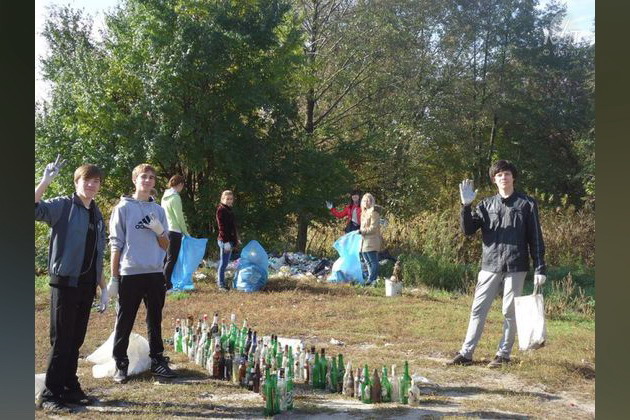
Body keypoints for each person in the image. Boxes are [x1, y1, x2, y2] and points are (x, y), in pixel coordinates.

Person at [447, 160, 546, 368]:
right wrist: (466, 206)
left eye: (507, 174)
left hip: (516, 265)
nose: (503, 178)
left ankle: (503, 355)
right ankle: (466, 353)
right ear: (494, 179)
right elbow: (468, 230)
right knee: (478, 309)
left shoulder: (527, 204)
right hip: (490, 264)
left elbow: (536, 237)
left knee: (509, 312)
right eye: (499, 175)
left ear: (513, 177)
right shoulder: (485, 205)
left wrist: (540, 267)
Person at [35, 156, 109, 413]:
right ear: (76, 182)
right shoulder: (64, 206)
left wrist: (103, 288)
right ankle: (50, 395)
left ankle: (69, 386)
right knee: (61, 340)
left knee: (75, 340)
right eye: (87, 180)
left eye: (96, 181)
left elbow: (98, 254)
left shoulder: (96, 214)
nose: (91, 185)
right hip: (65, 283)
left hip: (86, 284)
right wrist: (45, 181)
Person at [108, 163, 176, 383]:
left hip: (154, 272)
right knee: (125, 320)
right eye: (143, 177)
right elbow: (116, 245)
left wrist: (159, 231)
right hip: (130, 273)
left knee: (155, 318)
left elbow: (166, 245)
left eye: (151, 177)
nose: (147, 181)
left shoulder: (159, 210)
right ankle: (120, 363)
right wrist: (114, 278)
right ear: (135, 180)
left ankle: (157, 360)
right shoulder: (123, 208)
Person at [161, 175, 190, 289]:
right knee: (172, 259)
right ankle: (167, 284)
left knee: (165, 258)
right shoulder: (176, 197)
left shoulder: (165, 196)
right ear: (180, 184)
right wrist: (185, 232)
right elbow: (179, 217)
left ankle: (162, 282)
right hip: (175, 231)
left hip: (165, 230)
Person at [216, 190, 240, 291]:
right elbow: (222, 228)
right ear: (222, 199)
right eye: (227, 199)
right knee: (224, 263)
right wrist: (225, 242)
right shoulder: (221, 210)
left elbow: (232, 227)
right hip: (224, 241)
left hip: (230, 240)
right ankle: (221, 284)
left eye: (231, 199)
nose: (229, 201)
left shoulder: (229, 210)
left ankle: (222, 282)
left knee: (225, 263)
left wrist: (236, 238)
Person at [358, 193, 382, 286]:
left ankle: (372, 279)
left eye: (368, 200)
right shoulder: (363, 213)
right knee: (367, 261)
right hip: (364, 241)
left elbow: (373, 228)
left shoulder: (374, 212)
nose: (366, 202)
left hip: (372, 240)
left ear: (372, 202)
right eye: (364, 200)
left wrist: (362, 231)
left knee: (373, 261)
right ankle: (371, 279)